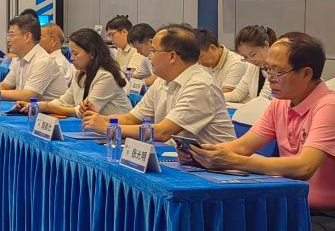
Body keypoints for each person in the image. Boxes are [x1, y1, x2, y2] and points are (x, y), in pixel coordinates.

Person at [188, 33, 335, 231]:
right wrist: (198, 152)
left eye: (278, 71)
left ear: (306, 73)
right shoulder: (280, 104)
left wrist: (237, 162)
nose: (270, 78)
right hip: (295, 204)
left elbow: (304, 167)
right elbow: (242, 146)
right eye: (268, 69)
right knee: (228, 226)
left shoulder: (331, 107)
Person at [82, 24, 236, 144]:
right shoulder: (162, 80)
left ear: (172, 56)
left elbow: (163, 132)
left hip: (217, 167)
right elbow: (132, 119)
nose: (149, 57)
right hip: (188, 161)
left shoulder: (200, 85)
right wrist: (99, 119)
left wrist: (108, 128)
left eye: (153, 51)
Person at [21, 28, 131, 117]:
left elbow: (83, 112)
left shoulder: (106, 76)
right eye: (71, 53)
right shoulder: (80, 74)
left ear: (92, 53)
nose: (71, 58)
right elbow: (64, 102)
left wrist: (47, 107)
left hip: (116, 131)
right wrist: (35, 105)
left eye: (75, 54)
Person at [0, 15, 68, 101]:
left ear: (27, 37)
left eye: (11, 35)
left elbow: (28, 95)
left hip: (52, 117)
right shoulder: (19, 59)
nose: (8, 40)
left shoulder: (43, 61)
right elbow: (4, 86)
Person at [228, 24, 277, 103]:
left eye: (253, 54)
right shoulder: (253, 66)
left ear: (266, 46)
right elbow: (237, 94)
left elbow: (264, 99)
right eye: (245, 57)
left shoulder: (277, 68)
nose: (251, 60)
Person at [196, 28, 252, 95]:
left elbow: (224, 94)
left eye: (200, 57)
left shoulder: (237, 63)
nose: (199, 62)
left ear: (212, 48)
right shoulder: (204, 63)